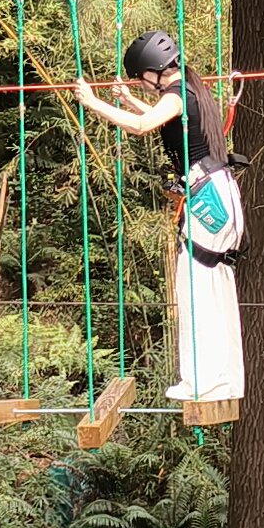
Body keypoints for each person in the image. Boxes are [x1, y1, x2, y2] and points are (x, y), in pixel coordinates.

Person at [74, 30, 244, 403]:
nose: (141, 84)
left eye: (140, 79)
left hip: (206, 198)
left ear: (153, 71)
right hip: (220, 194)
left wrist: (92, 103)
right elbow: (163, 119)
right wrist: (130, 98)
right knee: (214, 283)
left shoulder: (178, 94)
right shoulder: (192, 89)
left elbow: (142, 126)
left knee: (194, 287)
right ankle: (223, 380)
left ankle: (201, 383)